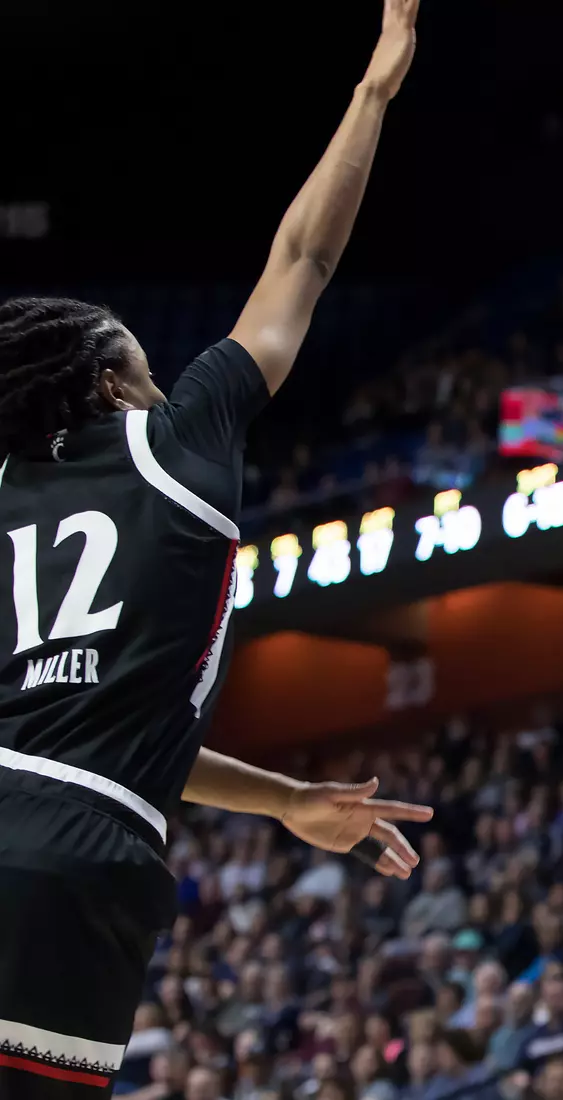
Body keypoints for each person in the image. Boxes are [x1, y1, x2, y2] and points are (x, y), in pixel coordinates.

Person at [0, 4, 432, 1097]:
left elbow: (107, 721)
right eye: (142, 360)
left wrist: (286, 796)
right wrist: (373, 92)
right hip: (75, 862)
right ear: (109, 383)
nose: (161, 372)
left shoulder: (8, 495)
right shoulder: (181, 435)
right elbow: (304, 254)